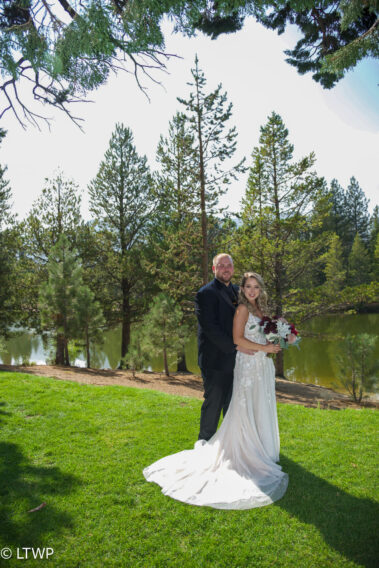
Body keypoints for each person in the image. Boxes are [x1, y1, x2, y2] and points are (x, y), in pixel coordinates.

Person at [143, 272, 289, 510]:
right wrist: (264, 347)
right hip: (249, 365)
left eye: (256, 287)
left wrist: (284, 337)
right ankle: (246, 450)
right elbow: (238, 339)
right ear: (242, 289)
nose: (252, 291)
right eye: (248, 287)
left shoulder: (262, 312)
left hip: (261, 366)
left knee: (259, 406)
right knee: (244, 407)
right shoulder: (242, 309)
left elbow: (269, 335)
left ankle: (261, 448)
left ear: (261, 290)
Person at [195, 253, 240, 441]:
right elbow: (210, 328)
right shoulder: (205, 293)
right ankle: (204, 441)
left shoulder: (239, 290)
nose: (225, 268)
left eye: (228, 265)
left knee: (232, 404)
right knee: (214, 403)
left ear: (233, 269)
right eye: (221, 265)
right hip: (214, 360)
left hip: (237, 360)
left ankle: (228, 442)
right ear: (214, 269)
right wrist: (236, 347)